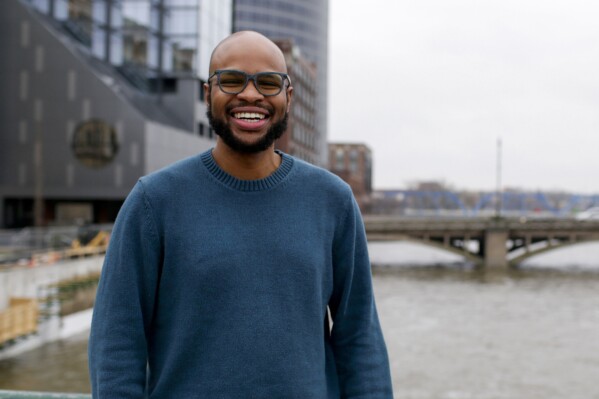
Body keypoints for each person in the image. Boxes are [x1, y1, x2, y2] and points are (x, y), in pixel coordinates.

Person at [88, 31, 393, 398]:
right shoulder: (153, 202)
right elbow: (116, 344)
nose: (250, 95)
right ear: (208, 93)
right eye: (231, 81)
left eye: (268, 83)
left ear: (288, 97)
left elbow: (359, 339)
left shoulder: (333, 201)